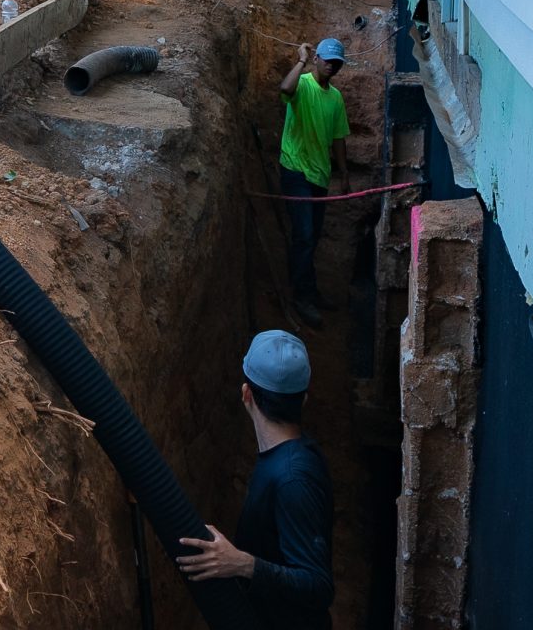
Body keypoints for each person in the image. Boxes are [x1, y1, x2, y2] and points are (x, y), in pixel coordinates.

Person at [174, 331, 336, 628]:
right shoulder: (290, 459)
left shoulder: (292, 480)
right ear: (303, 400)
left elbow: (318, 586)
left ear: (246, 394)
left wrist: (243, 564)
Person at [277, 37, 351, 327]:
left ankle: (309, 289)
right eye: (328, 60)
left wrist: (343, 174)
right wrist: (300, 61)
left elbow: (338, 138)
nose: (332, 66)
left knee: (311, 237)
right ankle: (302, 297)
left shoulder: (336, 98)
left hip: (320, 175)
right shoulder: (303, 84)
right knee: (305, 235)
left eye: (337, 63)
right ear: (317, 58)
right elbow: (285, 89)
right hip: (295, 170)